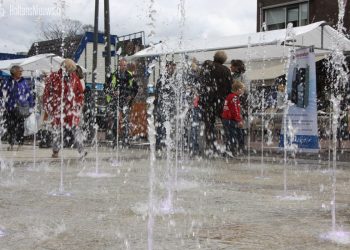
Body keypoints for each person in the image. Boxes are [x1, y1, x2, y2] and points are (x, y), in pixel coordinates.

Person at [43, 59, 85, 158]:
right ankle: (55, 150)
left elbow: (80, 92)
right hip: (58, 108)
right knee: (57, 130)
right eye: (71, 70)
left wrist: (78, 104)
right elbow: (47, 92)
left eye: (73, 71)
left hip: (71, 109)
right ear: (65, 68)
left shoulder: (74, 77)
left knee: (76, 129)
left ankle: (81, 150)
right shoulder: (54, 77)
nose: (72, 73)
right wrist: (48, 106)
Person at [199, 51, 232, 156]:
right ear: (224, 60)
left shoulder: (208, 67)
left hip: (208, 101)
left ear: (214, 57)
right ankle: (228, 147)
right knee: (226, 124)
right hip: (221, 101)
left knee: (209, 126)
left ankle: (211, 147)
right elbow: (229, 87)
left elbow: (201, 81)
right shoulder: (226, 70)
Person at [105, 58, 139, 147]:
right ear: (118, 65)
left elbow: (136, 88)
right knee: (116, 121)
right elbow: (105, 88)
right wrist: (113, 92)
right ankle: (115, 140)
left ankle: (125, 140)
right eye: (121, 65)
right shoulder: (113, 75)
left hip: (125, 102)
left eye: (124, 65)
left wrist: (131, 96)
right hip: (115, 101)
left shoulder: (130, 76)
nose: (123, 67)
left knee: (126, 122)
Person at [0, 65, 35, 150]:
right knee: (10, 126)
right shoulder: (7, 82)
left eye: (21, 71)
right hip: (10, 108)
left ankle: (20, 143)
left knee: (20, 126)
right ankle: (11, 144)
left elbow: (29, 94)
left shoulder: (24, 82)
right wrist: (2, 105)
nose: (21, 72)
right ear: (14, 72)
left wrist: (31, 105)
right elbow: (2, 94)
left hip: (21, 108)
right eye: (19, 71)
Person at [154, 61, 177, 151]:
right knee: (162, 124)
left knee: (165, 124)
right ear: (167, 67)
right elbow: (159, 91)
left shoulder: (171, 78)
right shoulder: (163, 77)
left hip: (168, 105)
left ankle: (162, 142)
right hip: (163, 104)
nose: (173, 69)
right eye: (171, 67)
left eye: (174, 67)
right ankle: (160, 143)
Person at [221, 80, 245, 157]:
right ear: (238, 89)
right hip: (230, 120)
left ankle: (227, 151)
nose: (243, 91)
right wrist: (239, 120)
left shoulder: (229, 96)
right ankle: (231, 151)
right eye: (242, 89)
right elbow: (235, 110)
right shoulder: (234, 97)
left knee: (229, 136)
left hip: (226, 119)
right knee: (233, 136)